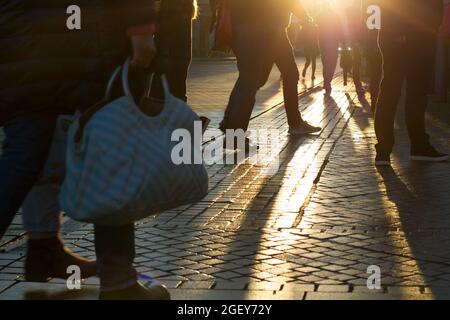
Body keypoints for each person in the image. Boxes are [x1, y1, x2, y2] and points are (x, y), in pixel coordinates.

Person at [0, 0, 170, 299]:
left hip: (21, 36)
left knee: (25, 155)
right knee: (109, 150)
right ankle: (119, 281)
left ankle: (44, 249)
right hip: (87, 37)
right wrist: (142, 28)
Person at [374, 0, 449, 166]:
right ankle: (393, 149)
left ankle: (401, 149)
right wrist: (396, 30)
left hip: (417, 35)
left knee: (411, 92)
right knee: (396, 91)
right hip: (405, 35)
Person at [259, 0, 322, 135]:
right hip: (272, 33)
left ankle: (295, 123)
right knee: (255, 80)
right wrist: (307, 18)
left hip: (274, 32)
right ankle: (232, 129)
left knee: (289, 75)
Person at [316, 1, 344, 96]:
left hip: (323, 43)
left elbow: (317, 27)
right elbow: (340, 29)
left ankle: (326, 82)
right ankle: (327, 82)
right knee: (332, 64)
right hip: (333, 43)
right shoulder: (335, 15)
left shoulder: (320, 15)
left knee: (326, 64)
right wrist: (342, 41)